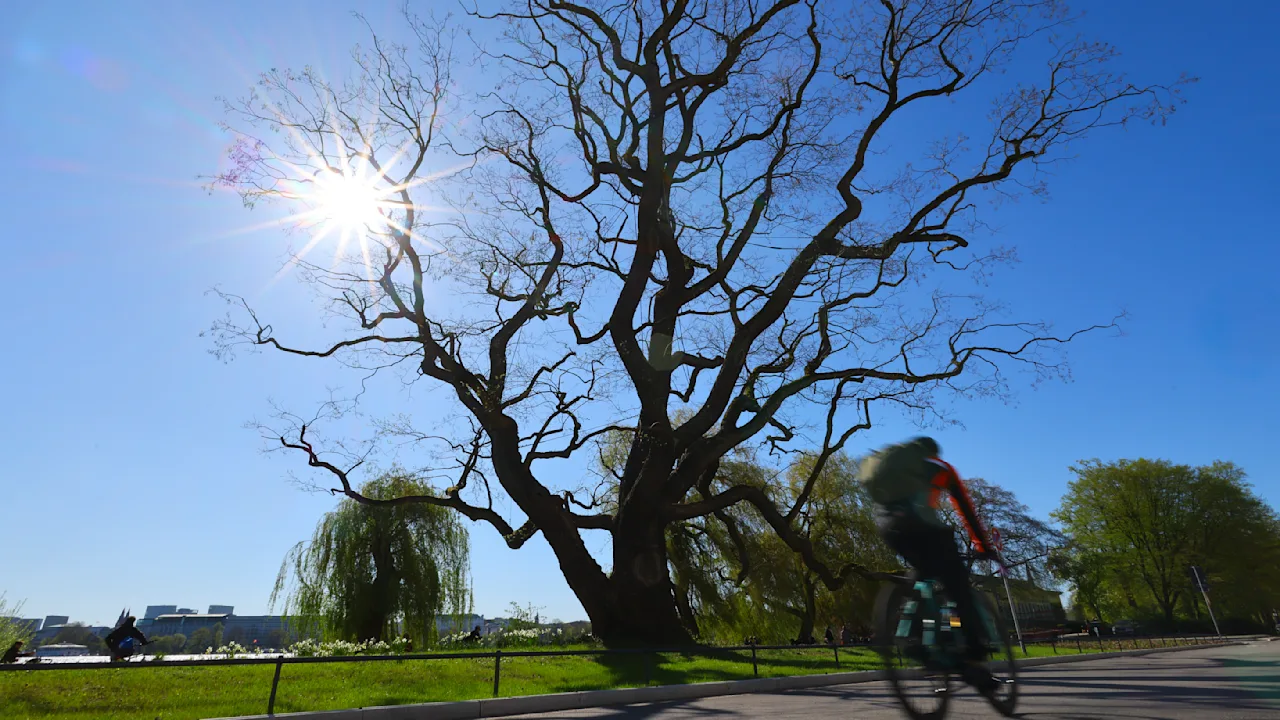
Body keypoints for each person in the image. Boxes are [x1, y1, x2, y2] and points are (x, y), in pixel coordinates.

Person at [860, 436, 1002, 696]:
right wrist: (983, 546)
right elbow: (966, 511)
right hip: (925, 527)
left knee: (922, 576)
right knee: (958, 586)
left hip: (890, 528)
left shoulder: (888, 469)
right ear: (932, 453)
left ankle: (912, 636)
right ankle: (974, 660)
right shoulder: (939, 470)